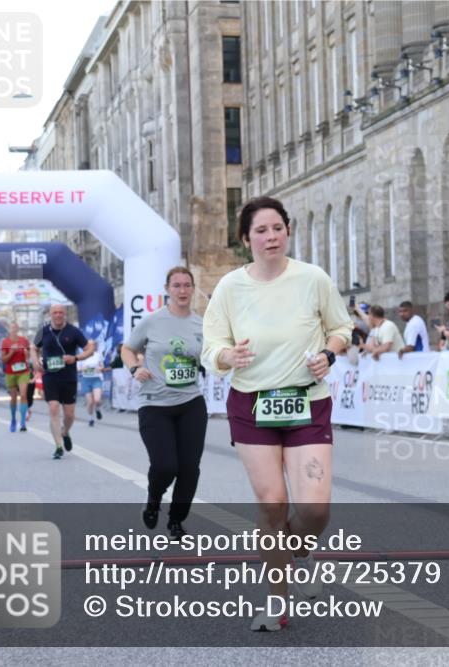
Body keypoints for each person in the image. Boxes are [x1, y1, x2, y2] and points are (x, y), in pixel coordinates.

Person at [202, 196, 352, 632]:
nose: (271, 237)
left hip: (307, 402)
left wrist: (329, 352)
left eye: (277, 228)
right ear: (245, 238)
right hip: (252, 404)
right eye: (261, 231)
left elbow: (340, 328)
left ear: (288, 230)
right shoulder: (231, 287)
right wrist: (227, 354)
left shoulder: (313, 279)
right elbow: (210, 346)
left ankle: (300, 550)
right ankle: (276, 601)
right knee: (272, 503)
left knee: (316, 508)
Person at [122, 266, 207, 538]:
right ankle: (153, 500)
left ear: (193, 289)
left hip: (191, 402)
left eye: (187, 285)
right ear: (167, 289)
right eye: (177, 285)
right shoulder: (152, 321)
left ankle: (176, 520)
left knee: (189, 469)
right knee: (165, 466)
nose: (182, 290)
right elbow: (127, 348)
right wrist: (135, 368)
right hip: (154, 404)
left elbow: (213, 355)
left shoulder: (202, 324)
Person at [31, 304, 96, 460]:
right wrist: (34, 362)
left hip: (68, 376)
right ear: (50, 315)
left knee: (69, 415)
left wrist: (75, 358)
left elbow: (89, 349)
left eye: (61, 312)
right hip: (50, 376)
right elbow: (33, 347)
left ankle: (65, 432)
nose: (58, 315)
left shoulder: (73, 331)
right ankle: (58, 446)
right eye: (55, 313)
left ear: (65, 314)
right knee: (53, 408)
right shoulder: (43, 331)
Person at [1, 322, 32, 432]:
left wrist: (27, 354)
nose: (13, 329)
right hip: (11, 372)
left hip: (23, 371)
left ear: (18, 328)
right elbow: (4, 360)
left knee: (23, 395)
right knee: (13, 398)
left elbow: (30, 354)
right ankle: (13, 419)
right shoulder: (5, 342)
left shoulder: (24, 340)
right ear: (8, 329)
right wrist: (11, 352)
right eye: (11, 327)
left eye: (15, 327)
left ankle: (23, 422)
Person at [78, 347, 107, 427]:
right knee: (90, 402)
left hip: (96, 379)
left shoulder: (98, 355)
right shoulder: (81, 356)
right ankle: (91, 419)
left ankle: (97, 409)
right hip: (86, 380)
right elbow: (77, 368)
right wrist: (82, 369)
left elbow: (102, 366)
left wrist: (99, 368)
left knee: (97, 400)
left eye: (92, 346)